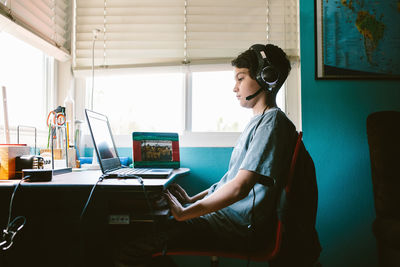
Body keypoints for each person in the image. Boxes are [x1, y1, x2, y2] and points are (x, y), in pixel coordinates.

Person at [115, 43, 301, 267]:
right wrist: (191, 201)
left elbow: (239, 187)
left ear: (266, 77)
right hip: (227, 220)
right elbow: (230, 181)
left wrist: (186, 213)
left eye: (240, 78)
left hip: (236, 228)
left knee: (131, 241)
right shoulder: (260, 122)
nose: (235, 88)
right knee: (148, 225)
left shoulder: (272, 123)